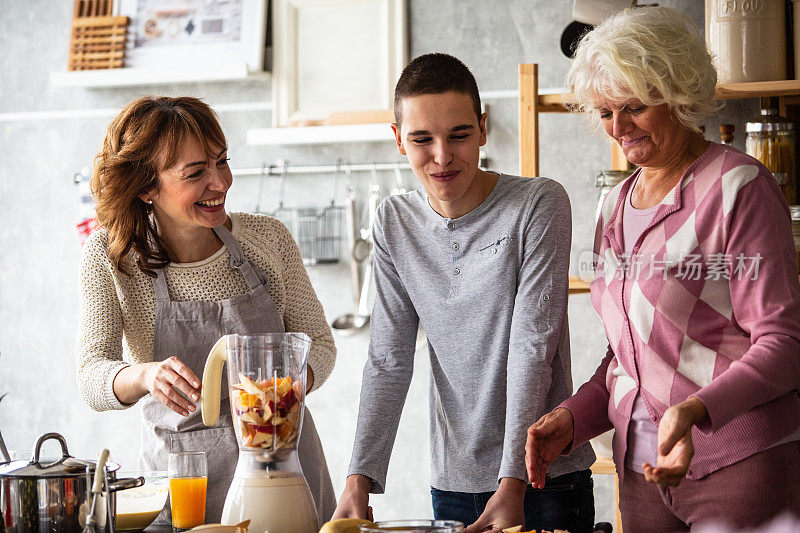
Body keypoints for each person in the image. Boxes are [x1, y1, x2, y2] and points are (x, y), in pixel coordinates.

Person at [525, 7, 800, 531]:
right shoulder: (614, 206)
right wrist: (576, 418)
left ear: (676, 93)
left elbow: (783, 344)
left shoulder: (738, 187)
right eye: (605, 112)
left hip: (739, 462)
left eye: (633, 107)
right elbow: (629, 352)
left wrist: (694, 410)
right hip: (641, 473)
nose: (618, 128)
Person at [332, 53, 596, 533]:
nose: (441, 156)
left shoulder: (539, 204)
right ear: (397, 140)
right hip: (454, 482)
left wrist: (513, 480)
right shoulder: (394, 222)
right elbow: (388, 360)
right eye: (421, 139)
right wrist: (358, 479)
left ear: (483, 128)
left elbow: (532, 346)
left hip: (544, 477)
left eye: (458, 135)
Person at [75, 96, 337, 525]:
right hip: (186, 479)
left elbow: (320, 344)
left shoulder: (268, 240)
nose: (220, 182)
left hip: (285, 469)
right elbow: (91, 375)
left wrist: (283, 394)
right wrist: (144, 374)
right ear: (145, 186)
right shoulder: (110, 257)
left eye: (222, 161)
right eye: (196, 173)